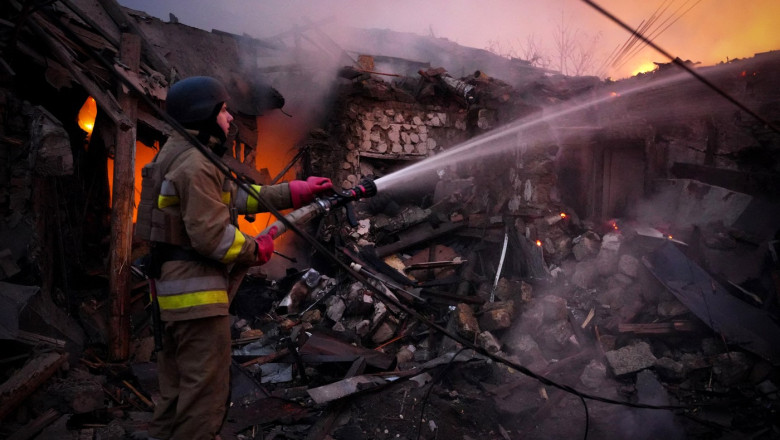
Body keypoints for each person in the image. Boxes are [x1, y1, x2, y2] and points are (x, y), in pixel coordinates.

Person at [135, 76, 332, 440]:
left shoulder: (180, 154)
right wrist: (256, 249)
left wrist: (294, 192)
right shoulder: (195, 165)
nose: (230, 119)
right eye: (223, 110)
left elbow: (238, 199)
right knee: (204, 396)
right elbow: (211, 237)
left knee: (176, 394)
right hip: (195, 300)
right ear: (203, 114)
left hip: (171, 296)